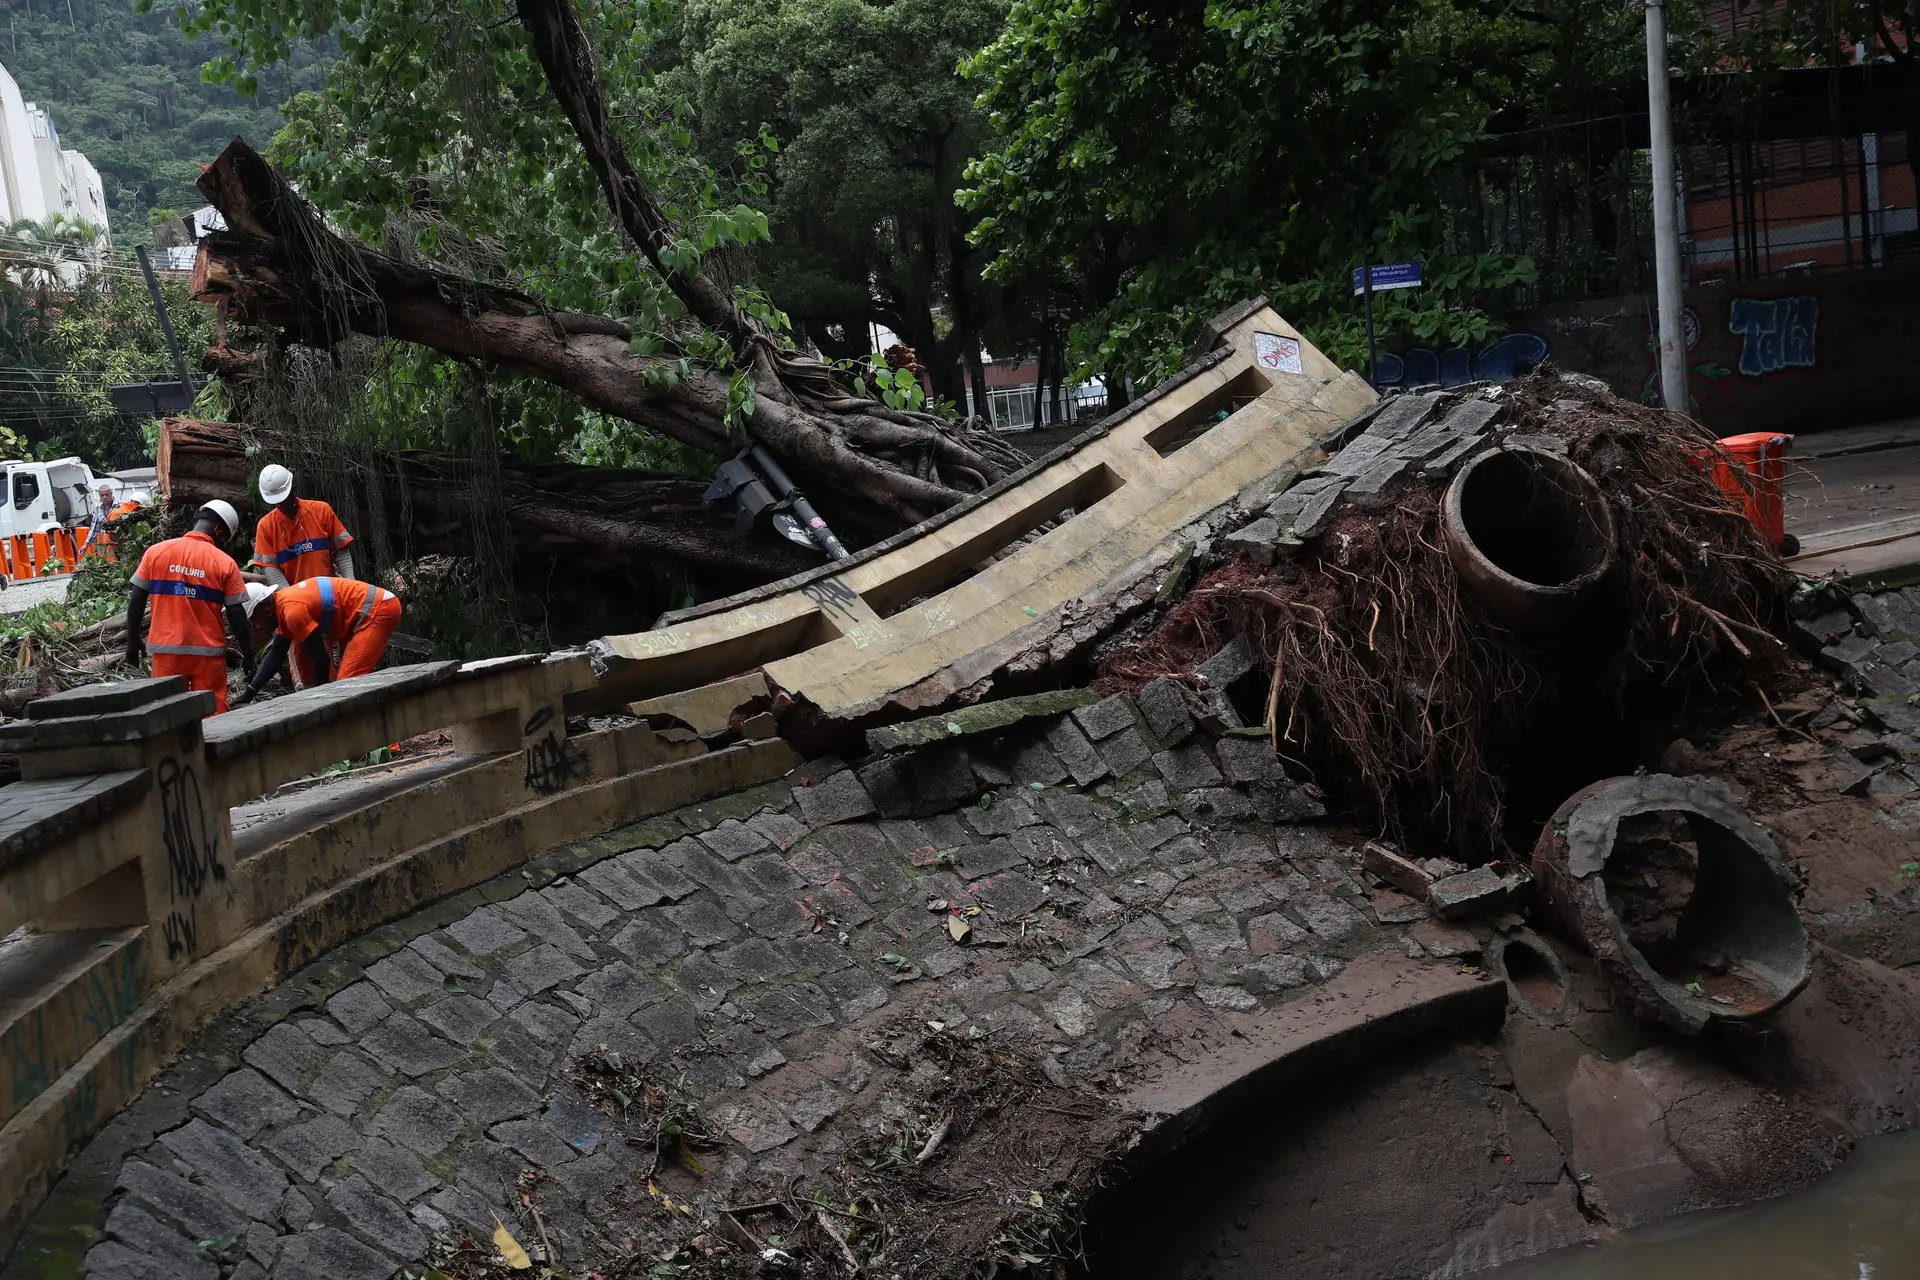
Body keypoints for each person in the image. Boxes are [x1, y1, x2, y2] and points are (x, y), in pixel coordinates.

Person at [126, 501, 254, 713]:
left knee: (169, 716)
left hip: (166, 651)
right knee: (213, 715)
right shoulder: (224, 563)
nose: (221, 543)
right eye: (223, 539)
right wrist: (248, 653)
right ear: (218, 530)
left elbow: (136, 599)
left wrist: (133, 640)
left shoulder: (156, 552)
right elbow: (236, 613)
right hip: (208, 655)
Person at [234, 576, 401, 707]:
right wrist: (250, 692)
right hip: (370, 610)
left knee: (349, 685)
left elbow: (321, 658)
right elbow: (276, 654)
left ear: (266, 610)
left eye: (254, 620)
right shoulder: (283, 606)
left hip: (378, 610)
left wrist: (320, 699)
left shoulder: (292, 612)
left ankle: (385, 745)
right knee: (348, 684)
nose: (257, 626)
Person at [251, 464, 355, 587]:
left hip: (330, 591)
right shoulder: (266, 526)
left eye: (284, 499)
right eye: (276, 501)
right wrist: (292, 599)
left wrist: (351, 585)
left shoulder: (321, 511)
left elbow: (341, 552)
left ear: (293, 487)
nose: (280, 504)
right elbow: (271, 569)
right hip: (295, 598)